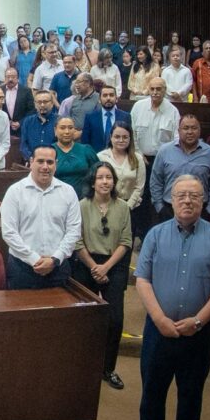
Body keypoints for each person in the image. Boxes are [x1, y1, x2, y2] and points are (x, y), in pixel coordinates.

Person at [134, 176, 210, 420]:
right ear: (171, 199)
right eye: (181, 195)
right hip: (159, 329)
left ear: (203, 200)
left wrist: (199, 320)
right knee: (153, 388)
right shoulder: (155, 234)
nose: (187, 200)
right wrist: (160, 319)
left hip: (199, 333)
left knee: (191, 392)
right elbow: (142, 280)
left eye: (194, 195)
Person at [72, 163, 133, 391]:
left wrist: (105, 267)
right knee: (84, 319)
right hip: (86, 263)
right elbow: (76, 241)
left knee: (115, 319)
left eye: (109, 177)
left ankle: (108, 369)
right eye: (100, 177)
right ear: (93, 181)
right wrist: (93, 266)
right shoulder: (81, 206)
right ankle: (82, 366)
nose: (105, 182)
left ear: (114, 182)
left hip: (113, 265)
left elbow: (126, 241)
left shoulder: (123, 207)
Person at [1, 145, 82, 290]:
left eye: (50, 162)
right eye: (40, 161)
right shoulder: (15, 192)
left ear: (56, 164)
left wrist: (55, 259)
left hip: (58, 267)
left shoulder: (68, 192)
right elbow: (9, 233)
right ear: (31, 162)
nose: (45, 166)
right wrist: (34, 259)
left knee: (61, 312)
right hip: (22, 269)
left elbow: (74, 230)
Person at [150, 115, 210, 221]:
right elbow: (156, 181)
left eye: (194, 128)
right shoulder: (164, 151)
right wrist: (160, 208)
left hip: (200, 211)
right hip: (169, 210)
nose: (190, 132)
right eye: (186, 128)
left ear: (200, 130)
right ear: (178, 131)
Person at [52, 117, 99, 199]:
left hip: (83, 200)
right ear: (55, 130)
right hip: (55, 199)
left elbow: (98, 175)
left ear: (75, 130)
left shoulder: (86, 150)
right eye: (62, 128)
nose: (67, 132)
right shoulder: (49, 151)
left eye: (70, 128)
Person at [19, 89, 58, 162]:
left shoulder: (59, 121)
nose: (42, 105)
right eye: (39, 102)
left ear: (52, 103)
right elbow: (23, 145)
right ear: (35, 104)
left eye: (45, 102)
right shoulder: (28, 121)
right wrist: (31, 158)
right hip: (32, 162)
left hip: (53, 162)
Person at [2, 67, 35, 137]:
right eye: (8, 77)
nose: (10, 79)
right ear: (4, 78)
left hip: (21, 129)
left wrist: (20, 123)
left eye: (13, 77)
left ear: (18, 78)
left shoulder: (26, 91)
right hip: (3, 129)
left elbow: (32, 111)